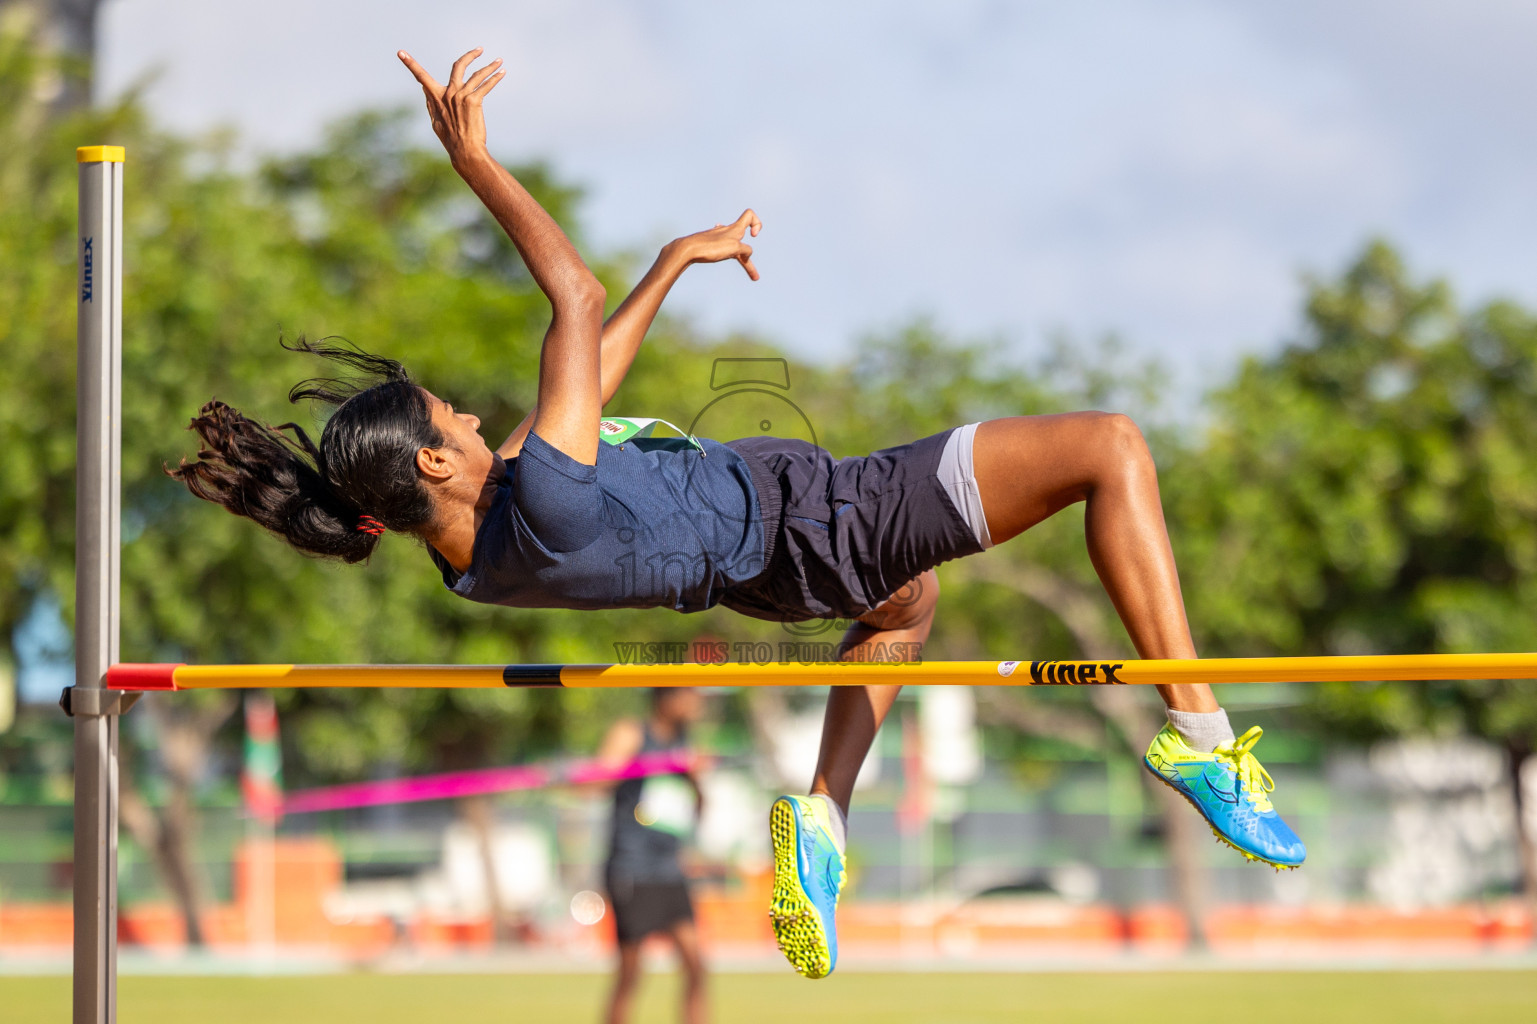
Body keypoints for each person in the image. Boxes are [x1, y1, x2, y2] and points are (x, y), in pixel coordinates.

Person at [169, 47, 1306, 982]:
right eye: (452, 417)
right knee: (1107, 449)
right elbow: (573, 297)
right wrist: (475, 163)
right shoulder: (548, 499)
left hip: (771, 568)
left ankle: (823, 820)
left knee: (907, 605)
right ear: (430, 458)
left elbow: (585, 381)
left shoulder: (479, 545)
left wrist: (674, 262)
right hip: (820, 517)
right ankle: (1200, 738)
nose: (473, 415)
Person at [596, 687, 708, 1024]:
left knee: (695, 964)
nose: (696, 702)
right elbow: (595, 782)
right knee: (631, 972)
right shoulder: (631, 733)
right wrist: (622, 765)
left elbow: (699, 809)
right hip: (632, 868)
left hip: (669, 869)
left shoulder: (686, 742)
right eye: (689, 695)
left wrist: (694, 779)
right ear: (666, 698)